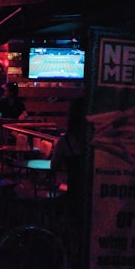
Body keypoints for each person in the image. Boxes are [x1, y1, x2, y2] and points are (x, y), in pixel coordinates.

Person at [52, 96, 87, 224]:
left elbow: (53, 166)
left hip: (73, 195)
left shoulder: (64, 142)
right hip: (93, 195)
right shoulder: (95, 140)